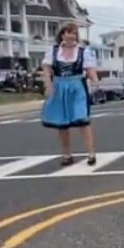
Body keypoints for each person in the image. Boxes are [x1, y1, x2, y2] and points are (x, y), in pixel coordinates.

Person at [41, 22, 98, 166]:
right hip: (59, 87)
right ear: (62, 34)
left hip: (77, 87)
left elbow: (91, 71)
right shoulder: (53, 51)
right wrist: (48, 86)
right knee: (62, 123)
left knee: (83, 120)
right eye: (68, 32)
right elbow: (47, 71)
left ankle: (91, 153)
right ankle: (67, 155)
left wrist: (95, 82)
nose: (71, 36)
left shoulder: (83, 51)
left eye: (74, 33)